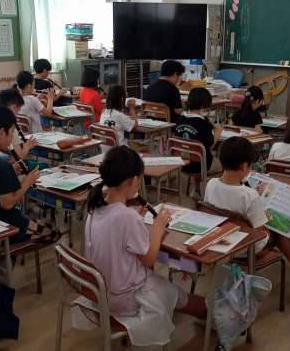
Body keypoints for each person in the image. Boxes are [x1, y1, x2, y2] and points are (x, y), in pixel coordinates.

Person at [84, 146, 206, 346]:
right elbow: (149, 259)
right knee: (180, 296)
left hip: (100, 292)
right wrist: (158, 227)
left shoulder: (94, 208)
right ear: (133, 180)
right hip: (124, 298)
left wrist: (136, 219)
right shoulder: (127, 217)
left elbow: (118, 235)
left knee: (170, 292)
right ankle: (211, 313)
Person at [205, 136, 290, 279]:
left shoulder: (211, 184)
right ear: (244, 166)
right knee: (278, 230)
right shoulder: (249, 196)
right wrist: (267, 216)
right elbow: (260, 230)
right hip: (247, 245)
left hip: (220, 238)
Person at [0, 105, 58, 244]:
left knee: (40, 226)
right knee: (53, 232)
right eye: (11, 132)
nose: (11, 138)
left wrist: (11, 172)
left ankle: (4, 250)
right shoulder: (1, 165)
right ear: (1, 133)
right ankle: (8, 249)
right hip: (7, 225)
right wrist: (27, 182)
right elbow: (8, 203)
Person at [175, 88, 222, 193]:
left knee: (197, 154)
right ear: (204, 105)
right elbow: (210, 146)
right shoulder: (203, 123)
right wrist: (218, 132)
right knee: (225, 164)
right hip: (202, 166)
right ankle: (211, 193)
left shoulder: (180, 119)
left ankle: (197, 190)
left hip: (182, 163)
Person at [0, 88, 38, 159]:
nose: (17, 114)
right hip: (9, 162)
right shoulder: (10, 127)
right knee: (42, 164)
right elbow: (19, 156)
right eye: (18, 111)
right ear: (14, 107)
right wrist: (27, 147)